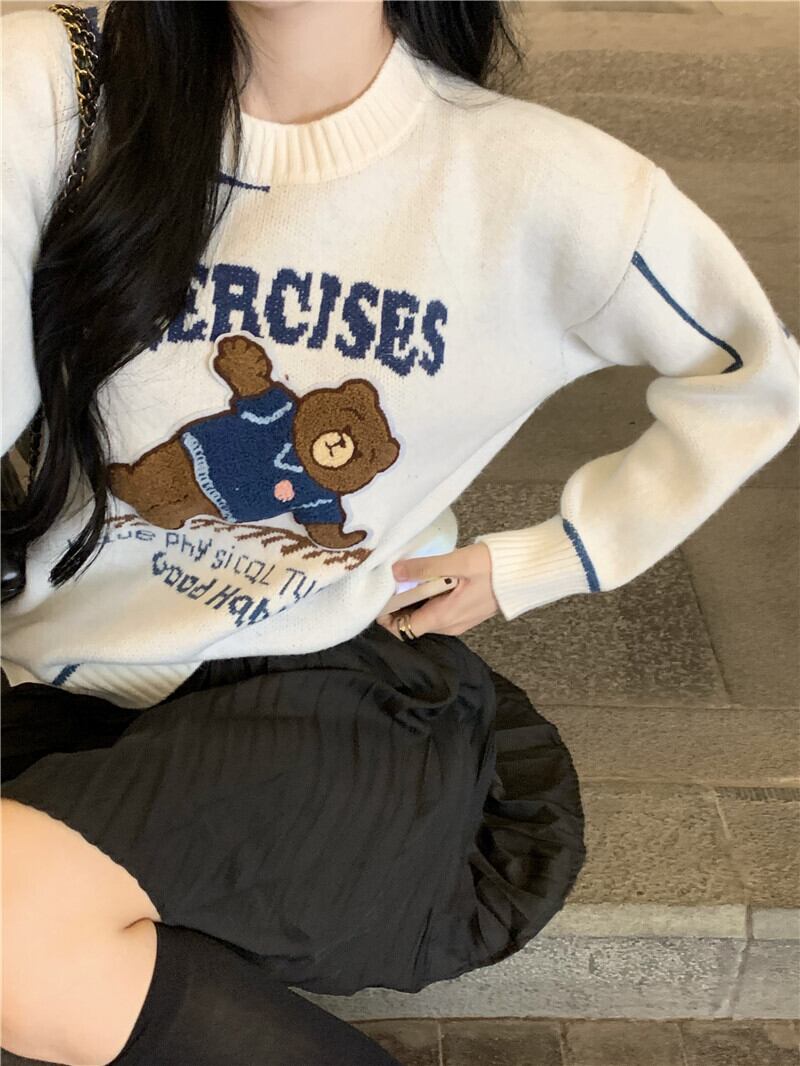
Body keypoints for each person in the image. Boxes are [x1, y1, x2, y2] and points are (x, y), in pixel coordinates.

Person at [1, 0, 797, 1062]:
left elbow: (750, 378)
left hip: (322, 692)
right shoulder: (52, 83)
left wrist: (542, 560)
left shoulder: (537, 182)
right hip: (52, 684)